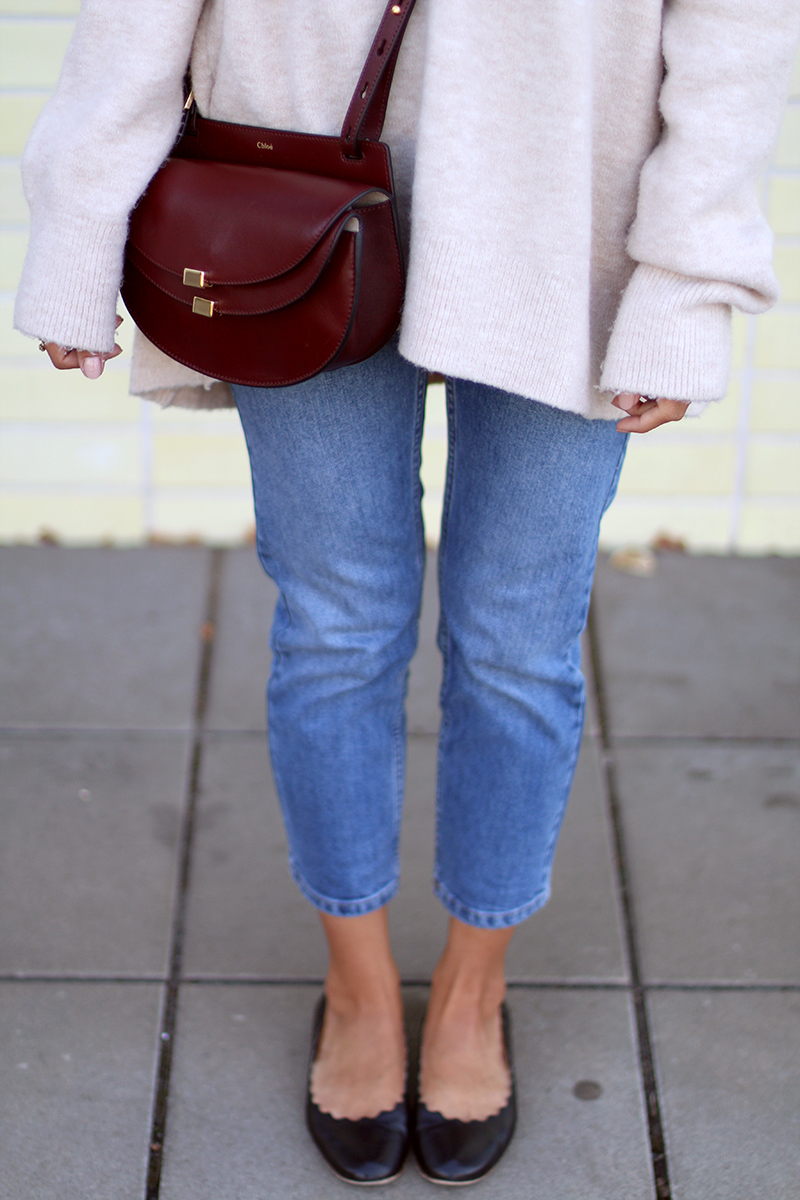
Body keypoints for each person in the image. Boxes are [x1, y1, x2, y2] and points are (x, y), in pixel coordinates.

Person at [15, 0, 799, 1186]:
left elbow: (735, 31)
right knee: (336, 624)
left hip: (567, 199)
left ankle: (472, 993)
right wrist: (81, 226)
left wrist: (685, 276)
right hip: (288, 180)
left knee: (517, 637)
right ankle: (359, 985)